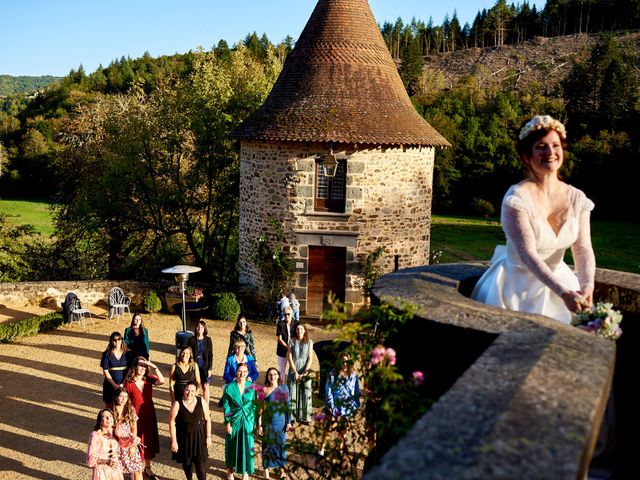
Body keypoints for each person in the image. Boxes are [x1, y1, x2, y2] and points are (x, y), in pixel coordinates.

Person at [471, 115, 596, 324]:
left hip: (561, 280)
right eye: (541, 146)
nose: (550, 153)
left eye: (556, 145)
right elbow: (528, 255)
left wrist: (587, 286)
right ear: (527, 155)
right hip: (515, 288)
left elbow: (582, 248)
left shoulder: (577, 199)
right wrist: (563, 293)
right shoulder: (516, 199)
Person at [124, 356, 165, 480]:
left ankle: (148, 468)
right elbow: (125, 401)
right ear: (135, 367)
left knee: (147, 440)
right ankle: (134, 469)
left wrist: (154, 366)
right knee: (136, 440)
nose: (142, 368)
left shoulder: (149, 379)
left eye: (144, 366)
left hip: (148, 413)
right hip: (135, 416)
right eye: (140, 365)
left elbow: (162, 381)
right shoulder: (129, 383)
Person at [319, 352, 360, 456]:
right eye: (342, 361)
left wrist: (356, 404)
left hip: (348, 406)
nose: (345, 363)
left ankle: (339, 449)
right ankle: (322, 447)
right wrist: (331, 405)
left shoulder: (354, 375)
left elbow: (356, 390)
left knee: (343, 429)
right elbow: (328, 389)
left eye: (347, 361)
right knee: (329, 427)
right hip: (335, 404)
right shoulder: (333, 373)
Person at [169, 381, 211, 480]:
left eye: (192, 391)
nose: (190, 393)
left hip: (199, 438)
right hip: (184, 440)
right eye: (187, 390)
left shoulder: (201, 401)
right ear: (184, 390)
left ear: (196, 391)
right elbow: (172, 423)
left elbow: (208, 419)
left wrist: (208, 436)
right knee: (187, 465)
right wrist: (174, 441)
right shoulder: (177, 404)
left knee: (201, 467)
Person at [223, 363, 256, 480]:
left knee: (247, 445)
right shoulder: (229, 387)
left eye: (245, 372)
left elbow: (254, 405)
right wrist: (228, 423)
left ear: (247, 373)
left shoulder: (251, 387)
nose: (242, 374)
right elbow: (226, 407)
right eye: (240, 371)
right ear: (236, 372)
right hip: (234, 420)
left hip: (248, 420)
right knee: (232, 445)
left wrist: (253, 421)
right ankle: (230, 470)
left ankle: (245, 471)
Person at [258, 368, 291, 479]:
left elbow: (287, 406)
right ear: (267, 377)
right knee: (267, 446)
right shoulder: (264, 389)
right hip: (268, 423)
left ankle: (282, 471)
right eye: (270, 375)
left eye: (274, 374)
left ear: (278, 376)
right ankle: (266, 469)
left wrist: (289, 422)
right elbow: (260, 408)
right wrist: (259, 424)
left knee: (280, 446)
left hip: (281, 423)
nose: (272, 376)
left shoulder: (284, 388)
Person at [112, 388, 144, 480]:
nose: (123, 399)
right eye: (121, 396)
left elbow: (134, 428)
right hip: (116, 445)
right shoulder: (110, 412)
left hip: (130, 443)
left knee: (137, 470)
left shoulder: (130, 410)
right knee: (117, 472)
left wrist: (133, 445)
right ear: (115, 397)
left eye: (125, 397)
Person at [86, 409, 124, 480]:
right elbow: (90, 459)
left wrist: (132, 440)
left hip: (115, 470)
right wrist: (106, 461)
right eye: (105, 417)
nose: (108, 418)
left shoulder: (115, 431)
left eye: (110, 416)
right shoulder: (95, 435)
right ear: (100, 422)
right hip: (102, 472)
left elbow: (124, 444)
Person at [287, 323, 314, 424]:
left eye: (301, 329)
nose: (299, 331)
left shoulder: (310, 342)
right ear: (295, 331)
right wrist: (295, 372)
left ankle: (305, 417)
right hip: (293, 369)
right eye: (297, 329)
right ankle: (292, 417)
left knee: (305, 392)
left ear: (305, 330)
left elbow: (310, 357)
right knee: (292, 392)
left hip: (305, 369)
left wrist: (306, 371)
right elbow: (289, 357)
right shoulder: (292, 341)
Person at [101, 332, 130, 409]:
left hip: (124, 384)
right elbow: (105, 371)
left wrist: (123, 382)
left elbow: (130, 369)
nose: (117, 342)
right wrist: (114, 385)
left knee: (124, 405)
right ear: (111, 341)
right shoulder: (107, 354)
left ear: (122, 340)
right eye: (114, 340)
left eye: (119, 339)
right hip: (110, 384)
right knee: (109, 405)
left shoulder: (127, 353)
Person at [188, 321, 213, 404]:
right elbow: (189, 354)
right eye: (198, 326)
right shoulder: (191, 340)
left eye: (202, 327)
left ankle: (206, 408)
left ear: (204, 329)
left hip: (205, 366)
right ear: (195, 328)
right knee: (196, 386)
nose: (200, 328)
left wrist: (210, 368)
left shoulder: (208, 340)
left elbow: (210, 355)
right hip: (195, 366)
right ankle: (193, 405)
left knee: (206, 386)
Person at [275, 306, 295, 380]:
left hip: (293, 350)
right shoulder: (280, 324)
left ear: (292, 314)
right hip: (282, 350)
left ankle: (291, 386)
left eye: (288, 314)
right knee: (281, 370)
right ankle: (281, 388)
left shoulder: (296, 323)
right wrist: (288, 347)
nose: (287, 316)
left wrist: (292, 348)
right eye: (285, 314)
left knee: (293, 369)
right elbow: (279, 339)